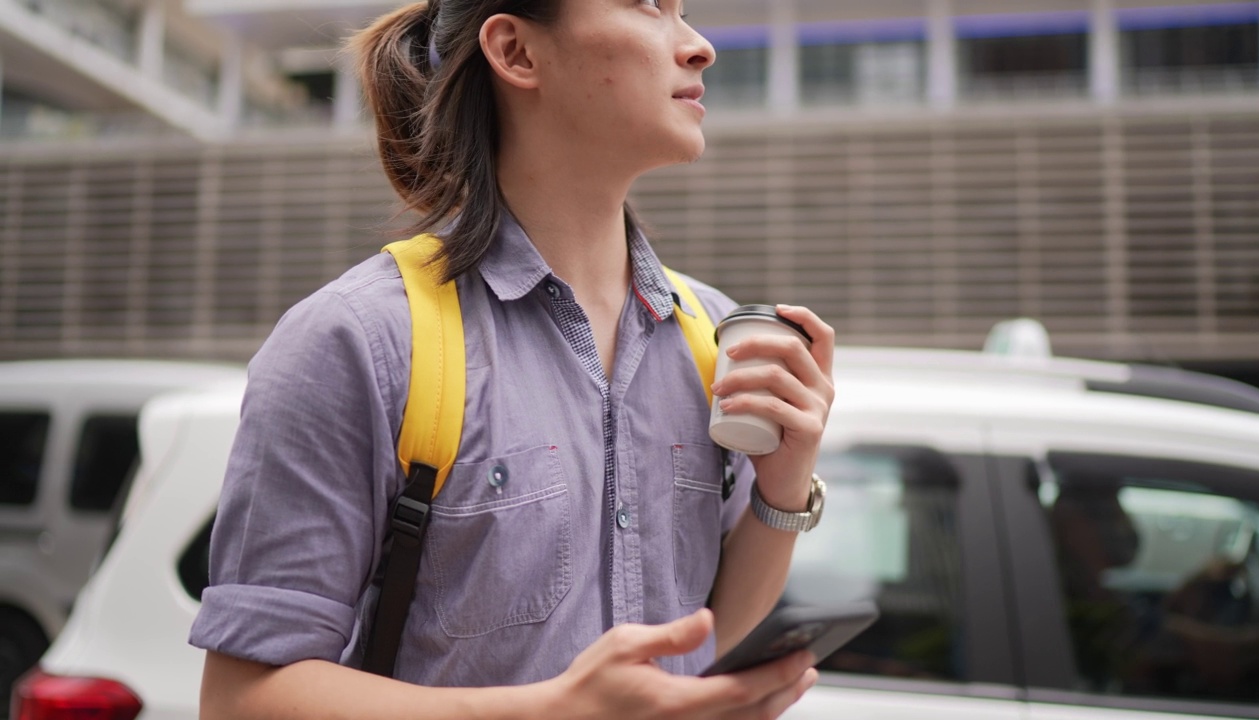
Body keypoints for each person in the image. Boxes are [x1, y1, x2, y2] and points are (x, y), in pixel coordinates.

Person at [190, 0, 836, 718]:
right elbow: (240, 699)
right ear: (516, 52)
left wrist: (782, 490)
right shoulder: (358, 339)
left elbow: (710, 648)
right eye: (650, 8)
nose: (699, 47)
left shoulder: (714, 334)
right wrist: (553, 710)